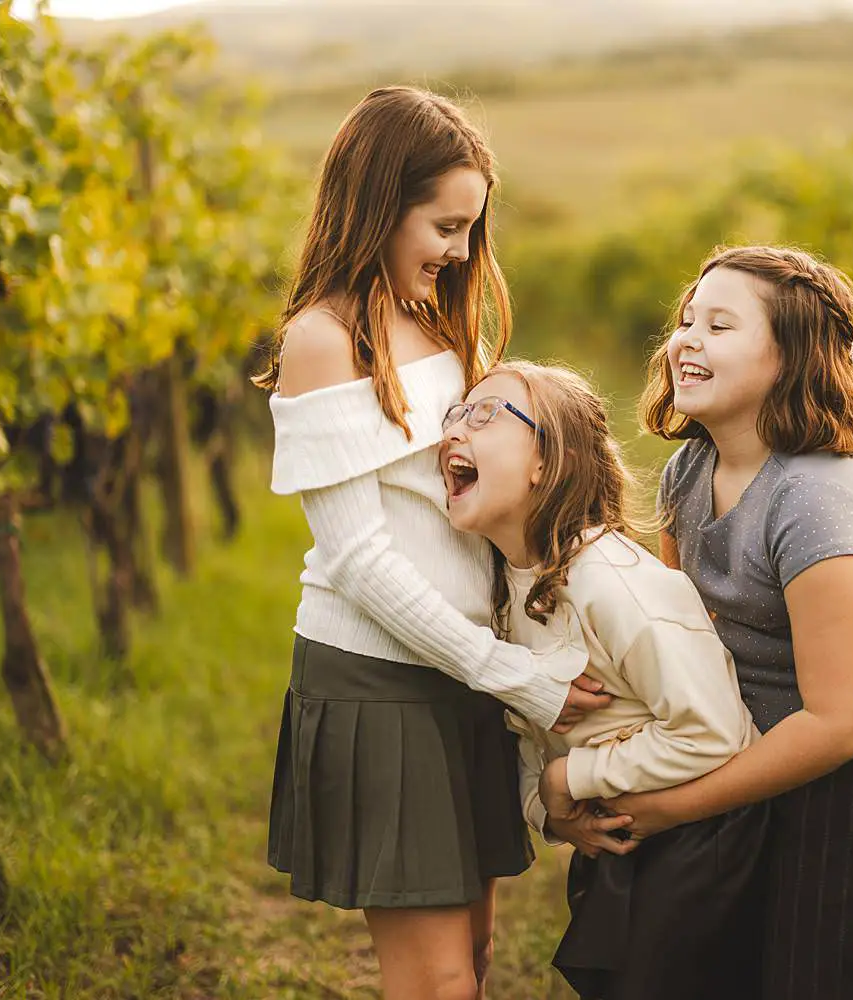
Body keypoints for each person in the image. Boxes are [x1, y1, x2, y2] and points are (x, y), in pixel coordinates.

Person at [255, 87, 608, 1000]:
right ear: (379, 202)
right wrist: (516, 677)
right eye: (443, 226)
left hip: (462, 672)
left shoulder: (442, 322)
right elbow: (361, 561)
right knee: (439, 981)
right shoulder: (323, 342)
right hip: (382, 679)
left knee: (478, 958)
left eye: (468, 231)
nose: (458, 251)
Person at [611, 245, 853, 1000]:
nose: (687, 339)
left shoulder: (812, 497)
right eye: (688, 319)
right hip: (752, 735)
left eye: (720, 326)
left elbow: (839, 722)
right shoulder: (688, 472)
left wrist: (673, 805)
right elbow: (681, 642)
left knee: (823, 968)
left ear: (789, 358)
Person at [440, 360, 767, 1000]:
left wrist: (573, 779)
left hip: (700, 844)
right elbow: (533, 733)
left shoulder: (612, 583)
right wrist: (553, 814)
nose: (455, 429)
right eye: (455, 413)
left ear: (548, 461)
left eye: (485, 414)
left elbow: (714, 733)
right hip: (619, 838)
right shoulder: (506, 586)